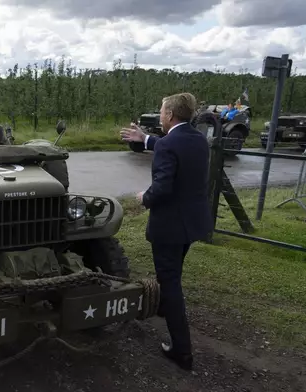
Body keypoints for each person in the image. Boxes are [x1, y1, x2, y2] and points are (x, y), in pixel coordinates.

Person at [119, 92, 213, 371]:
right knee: (172, 273)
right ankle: (163, 306)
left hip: (170, 227)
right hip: (191, 224)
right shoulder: (198, 139)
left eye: (161, 111)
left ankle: (182, 350)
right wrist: (145, 139)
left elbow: (162, 188)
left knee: (171, 282)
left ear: (170, 115)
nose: (160, 115)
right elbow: (172, 147)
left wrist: (143, 198)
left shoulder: (169, 145)